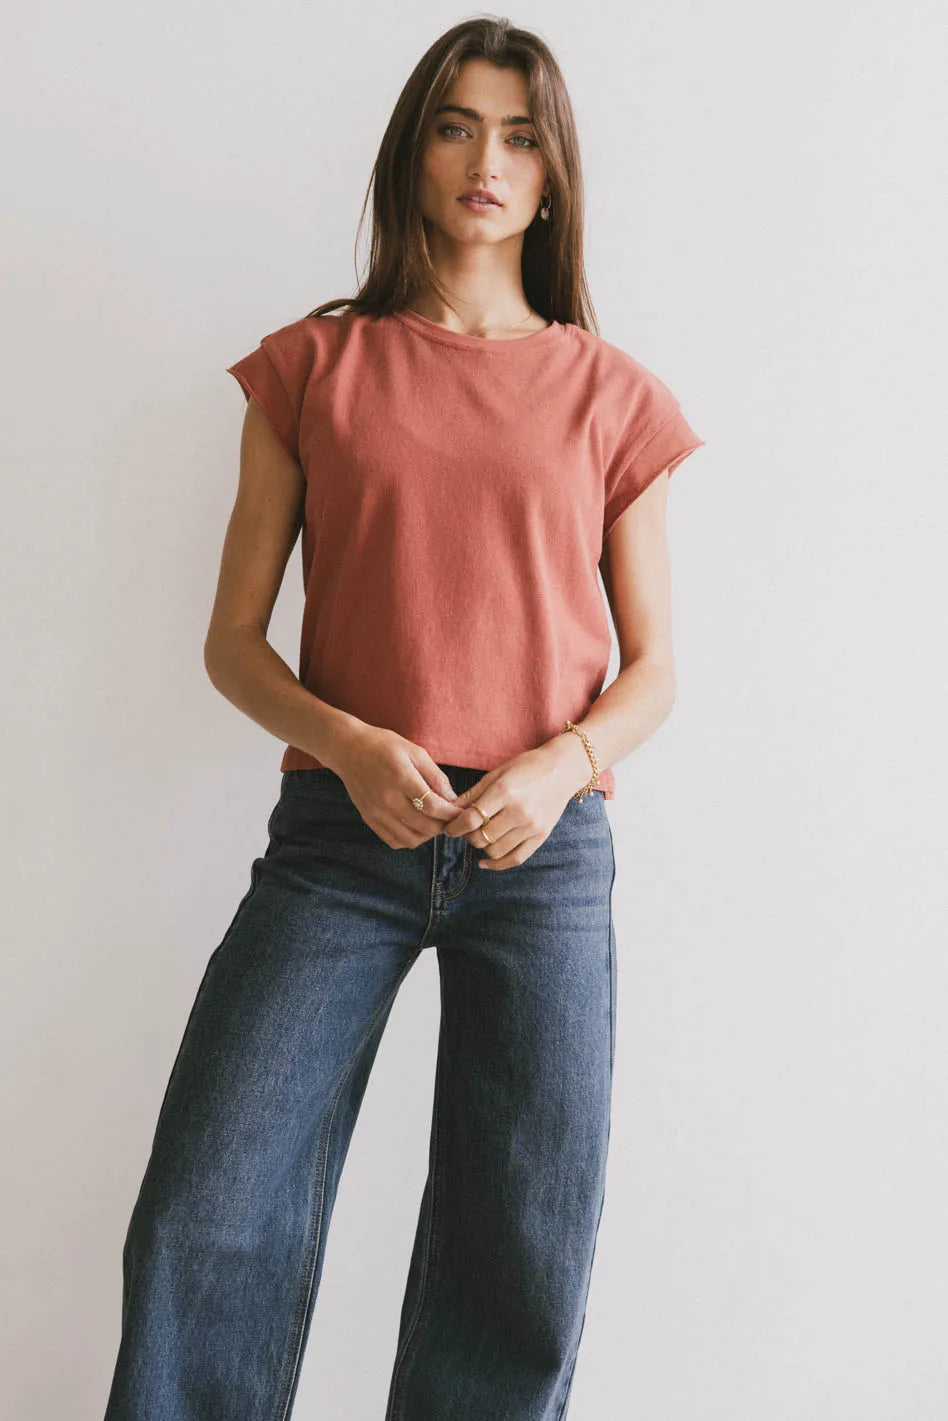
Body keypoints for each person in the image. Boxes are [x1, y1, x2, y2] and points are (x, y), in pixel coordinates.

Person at [103, 17, 704, 1421]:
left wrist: (559, 767)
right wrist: (355, 744)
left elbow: (655, 671)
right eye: (455, 125)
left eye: (519, 135)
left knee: (519, 1250)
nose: (486, 159)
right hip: (340, 837)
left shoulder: (614, 396)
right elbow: (232, 643)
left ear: (553, 176)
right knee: (209, 1204)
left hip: (542, 855)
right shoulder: (311, 368)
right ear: (413, 153)